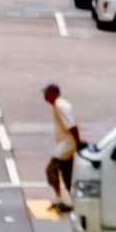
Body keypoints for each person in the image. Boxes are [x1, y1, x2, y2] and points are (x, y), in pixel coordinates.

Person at [43, 84, 81, 212]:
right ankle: (72, 201)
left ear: (53, 93)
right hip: (65, 144)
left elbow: (72, 126)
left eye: (46, 93)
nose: (44, 96)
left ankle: (60, 200)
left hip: (66, 145)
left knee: (51, 169)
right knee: (67, 174)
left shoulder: (60, 106)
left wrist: (78, 143)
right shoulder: (58, 105)